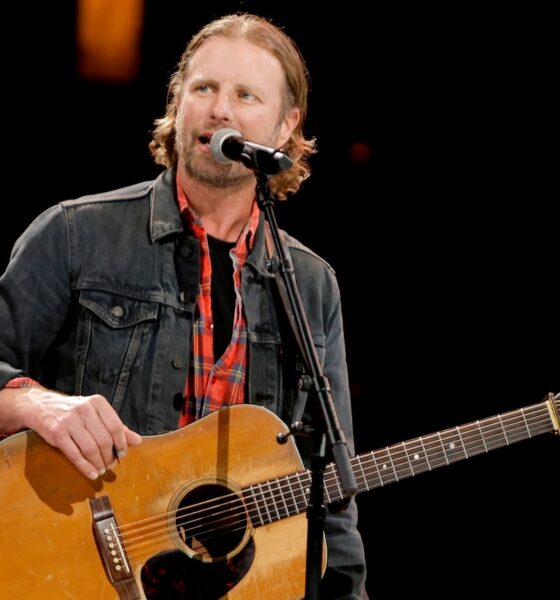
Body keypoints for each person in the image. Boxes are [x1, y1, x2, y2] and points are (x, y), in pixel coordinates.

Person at [0, 13, 368, 599]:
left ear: (284, 127)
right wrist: (33, 402)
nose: (220, 109)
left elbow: (331, 489)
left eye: (245, 95)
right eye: (204, 88)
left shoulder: (310, 286)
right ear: (178, 104)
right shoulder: (73, 236)